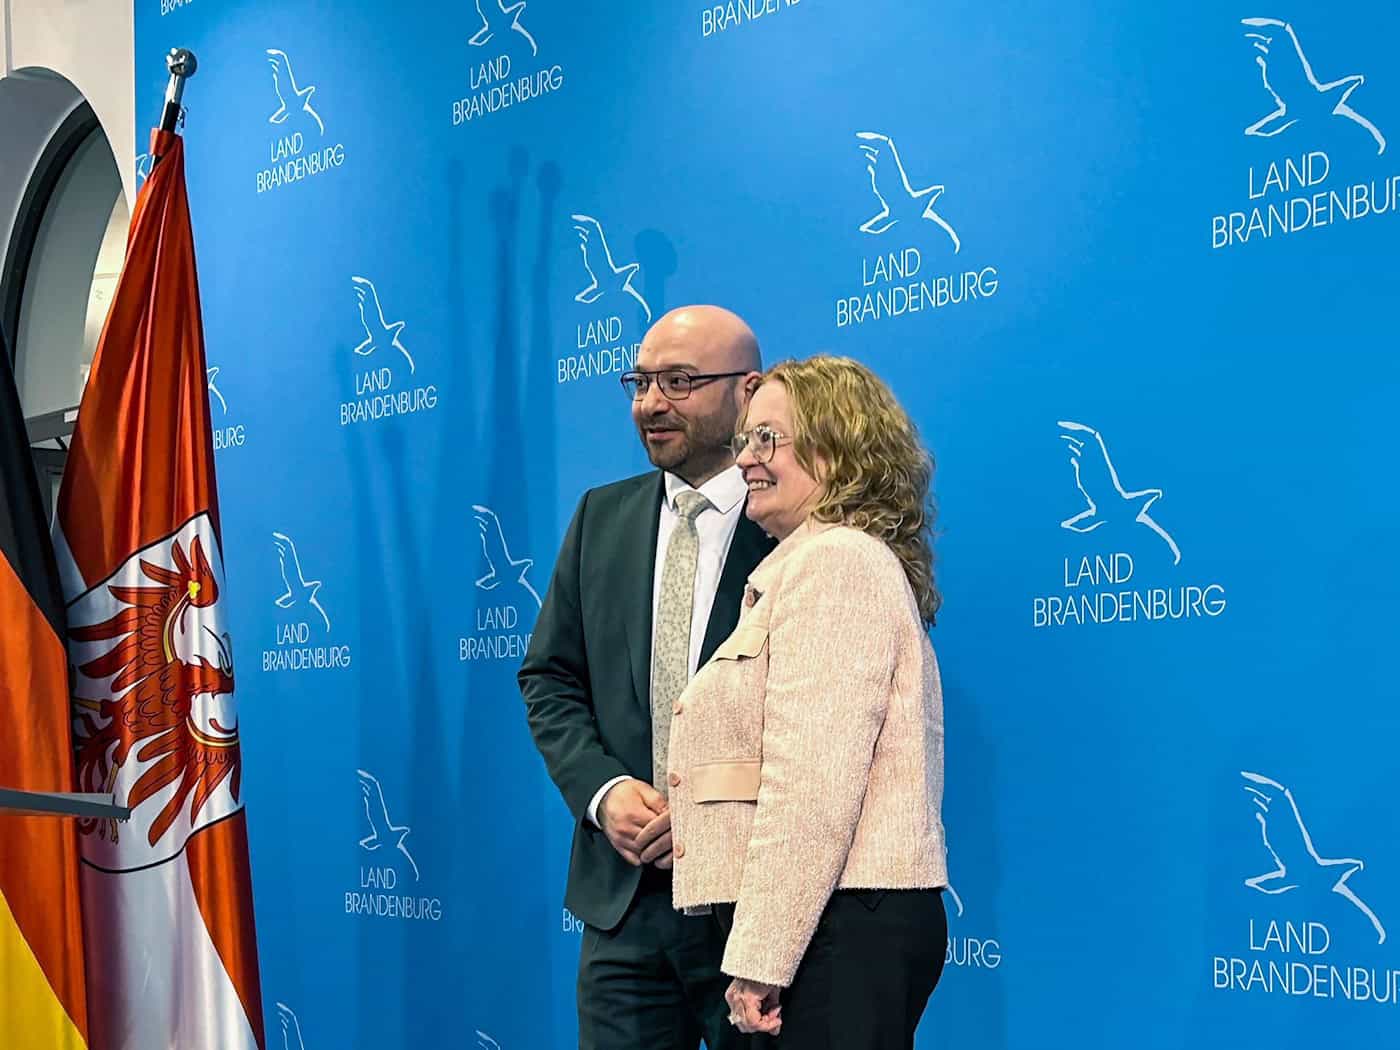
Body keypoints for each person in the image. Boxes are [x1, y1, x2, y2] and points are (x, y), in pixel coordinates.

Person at [667, 354, 949, 1049]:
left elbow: (812, 786)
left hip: (840, 923)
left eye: (769, 439)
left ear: (837, 445)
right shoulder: (811, 562)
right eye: (744, 441)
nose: (746, 462)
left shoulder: (837, 563)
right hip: (831, 920)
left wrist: (761, 956)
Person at [520, 305, 776, 1050]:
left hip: (751, 911)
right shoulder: (602, 516)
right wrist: (602, 794)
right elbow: (549, 678)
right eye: (640, 382)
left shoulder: (793, 527)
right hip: (623, 909)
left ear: (748, 391)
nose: (650, 403)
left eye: (680, 381)